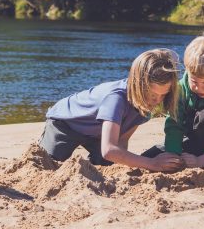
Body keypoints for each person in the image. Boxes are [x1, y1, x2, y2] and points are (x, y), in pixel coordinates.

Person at [39, 48, 182, 172]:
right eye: (152, 94)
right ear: (139, 85)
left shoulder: (145, 104)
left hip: (98, 132)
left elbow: (122, 139)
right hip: (66, 124)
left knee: (108, 163)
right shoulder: (115, 98)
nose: (156, 100)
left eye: (163, 94)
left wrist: (121, 160)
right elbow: (109, 150)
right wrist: (152, 163)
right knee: (47, 164)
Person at [145, 30, 204, 169]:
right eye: (194, 81)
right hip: (191, 139)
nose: (198, 88)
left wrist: (202, 160)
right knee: (150, 155)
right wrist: (173, 153)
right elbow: (174, 124)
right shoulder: (181, 89)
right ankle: (186, 156)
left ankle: (200, 159)